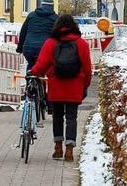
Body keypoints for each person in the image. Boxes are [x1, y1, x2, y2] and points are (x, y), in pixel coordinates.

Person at [30, 14, 92, 161]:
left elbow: (42, 63)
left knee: (57, 116)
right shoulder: (81, 44)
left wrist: (33, 72)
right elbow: (88, 68)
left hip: (56, 85)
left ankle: (58, 148)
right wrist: (85, 84)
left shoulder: (51, 43)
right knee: (72, 117)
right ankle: (69, 150)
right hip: (75, 85)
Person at [16, 0, 58, 69]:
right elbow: (58, 35)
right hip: (44, 48)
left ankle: (30, 78)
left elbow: (23, 33)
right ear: (52, 7)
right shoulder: (55, 18)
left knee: (31, 64)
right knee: (47, 66)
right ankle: (43, 79)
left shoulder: (31, 15)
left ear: (41, 6)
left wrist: (20, 48)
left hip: (28, 48)